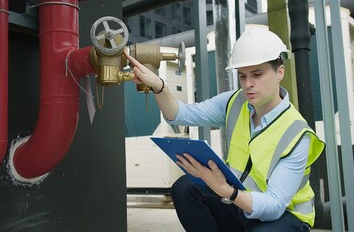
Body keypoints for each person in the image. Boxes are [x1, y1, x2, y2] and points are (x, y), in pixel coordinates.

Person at [124, 27, 325, 232]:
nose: (248, 84)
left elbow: (273, 206)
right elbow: (179, 114)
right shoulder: (234, 102)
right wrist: (158, 85)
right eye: (242, 76)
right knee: (185, 188)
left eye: (257, 74)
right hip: (239, 202)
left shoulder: (298, 134)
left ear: (279, 71)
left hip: (285, 217)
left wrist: (226, 190)